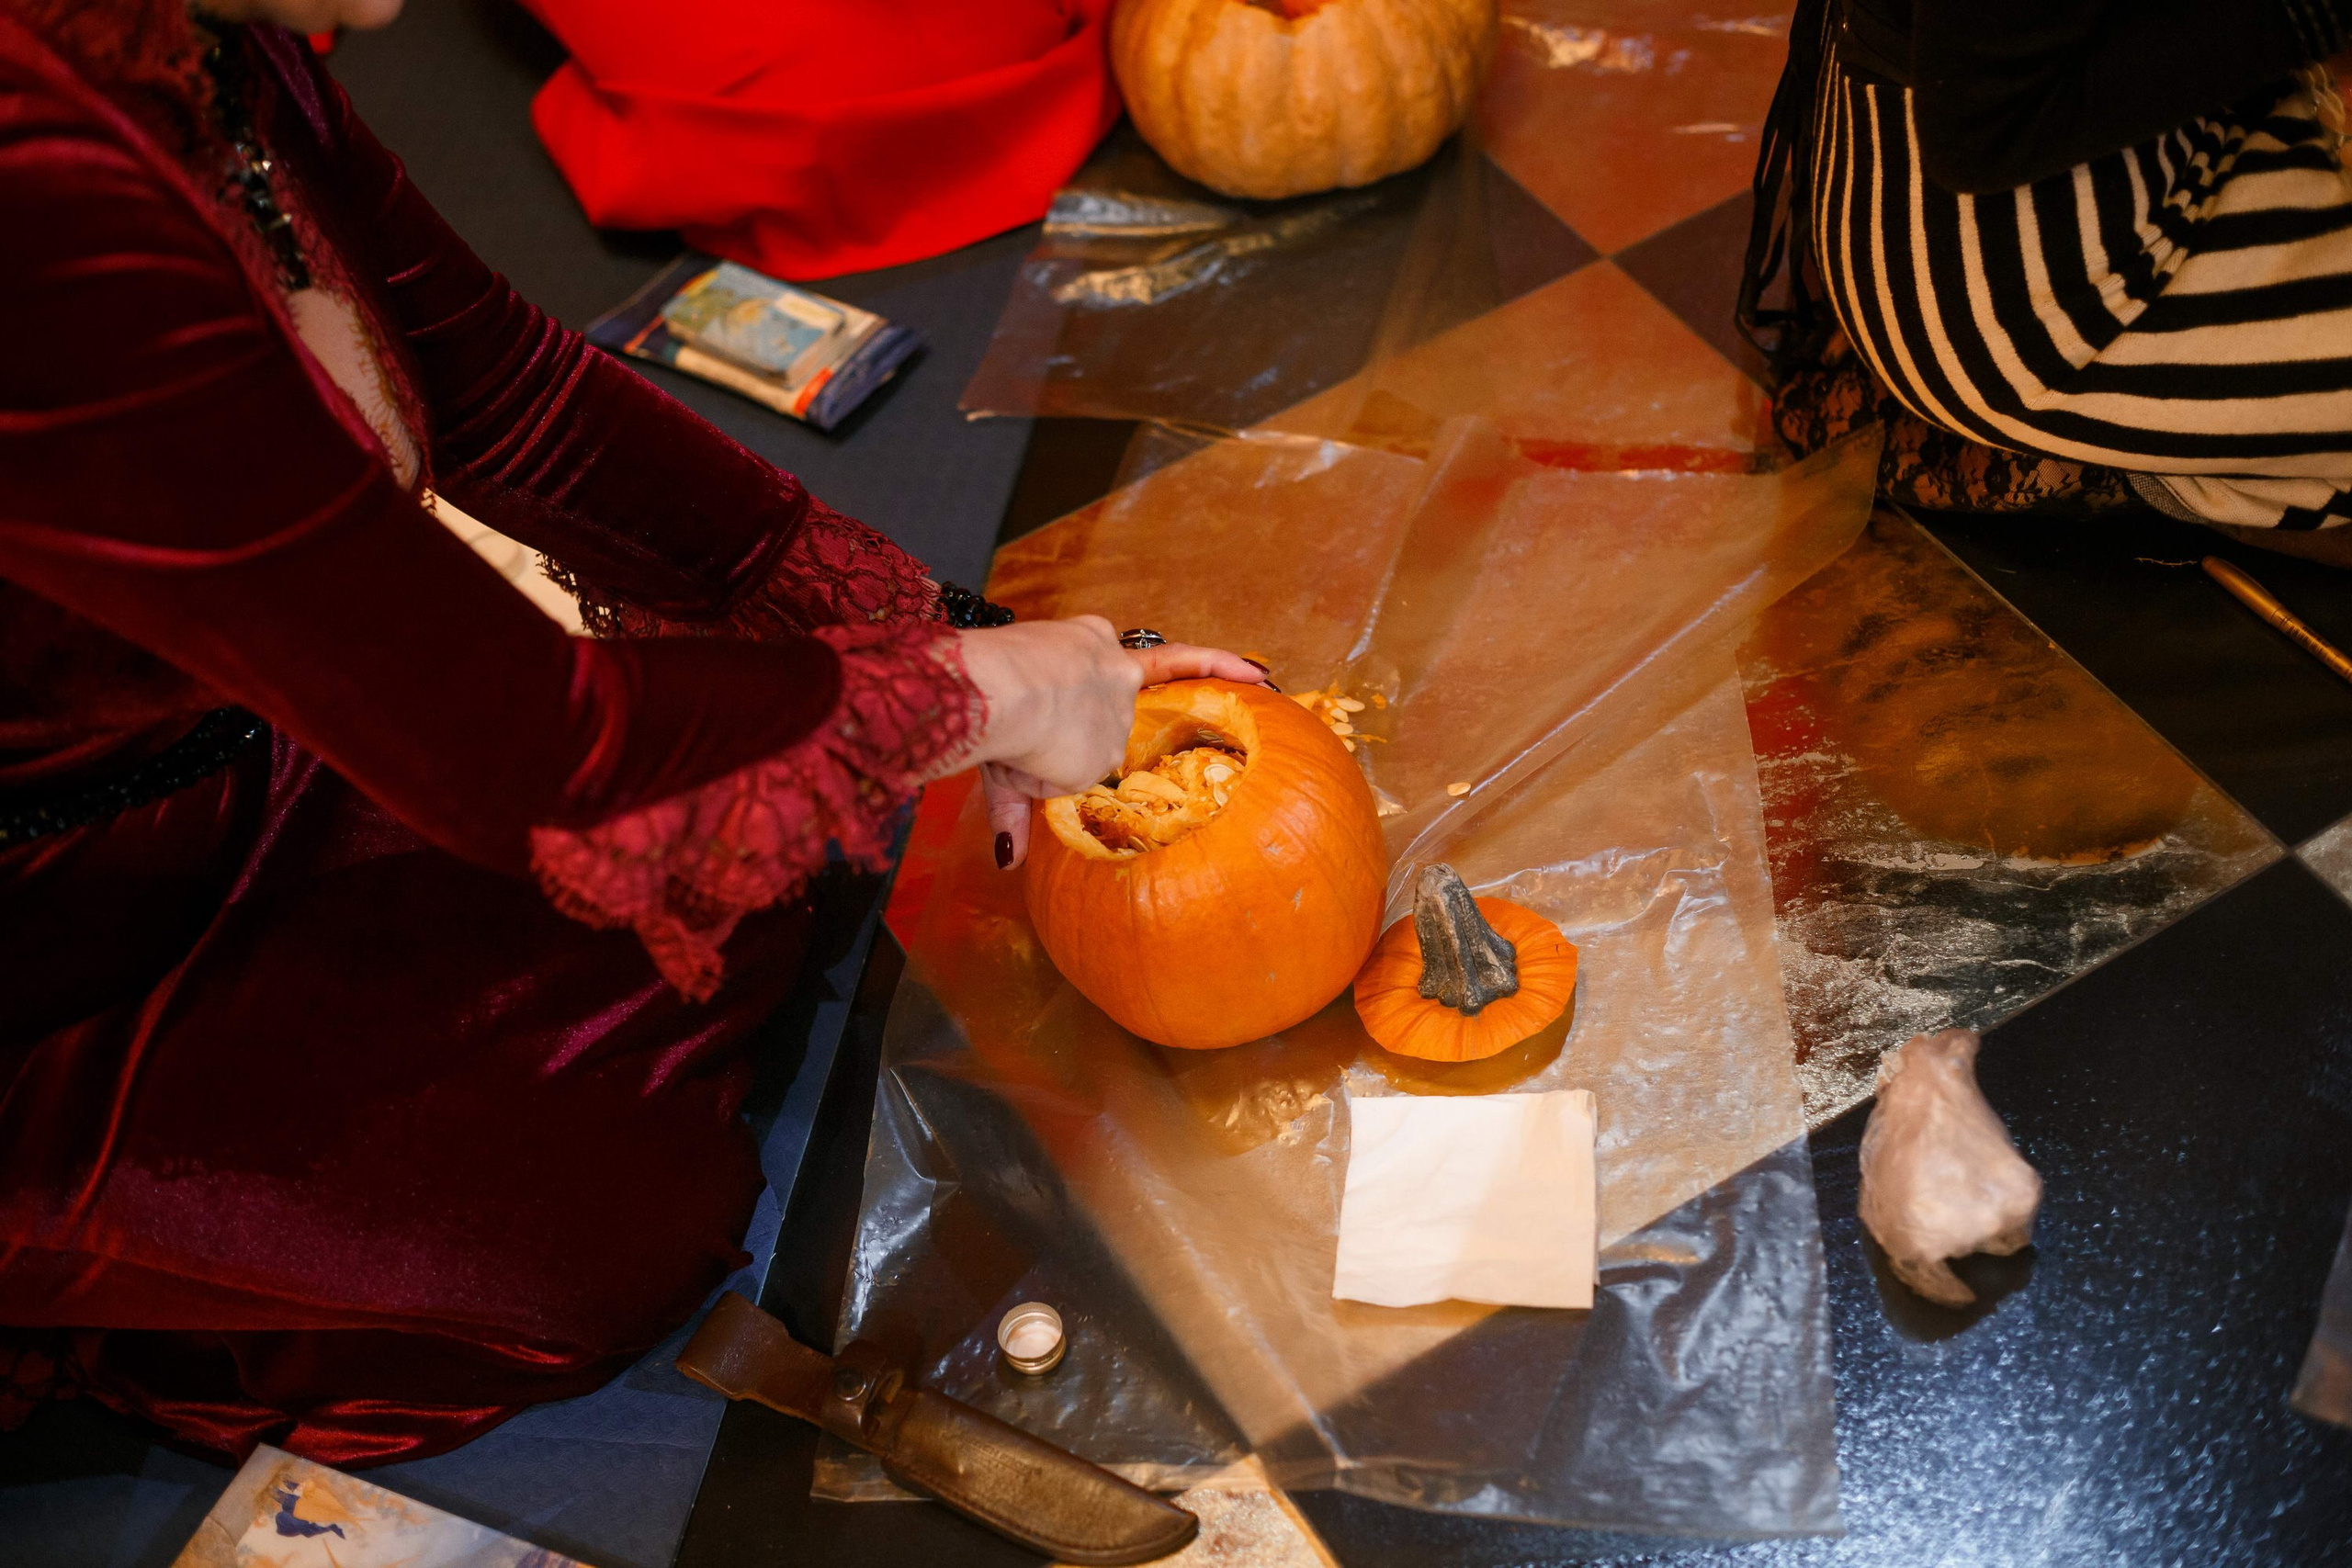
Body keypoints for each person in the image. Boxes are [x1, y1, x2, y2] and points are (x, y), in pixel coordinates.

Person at [0, 0, 1262, 1463]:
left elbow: (514, 398)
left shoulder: (208, 39)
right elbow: (534, 757)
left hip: (264, 723)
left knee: (756, 878)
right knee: (592, 1245)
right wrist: (992, 692)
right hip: (50, 939)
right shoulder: (35, 186)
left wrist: (937, 624)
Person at [1741, 0, 2352, 563]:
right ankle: (2163, 470)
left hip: (2091, 135)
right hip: (2023, 275)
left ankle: (2194, 458)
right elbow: (1984, 128)